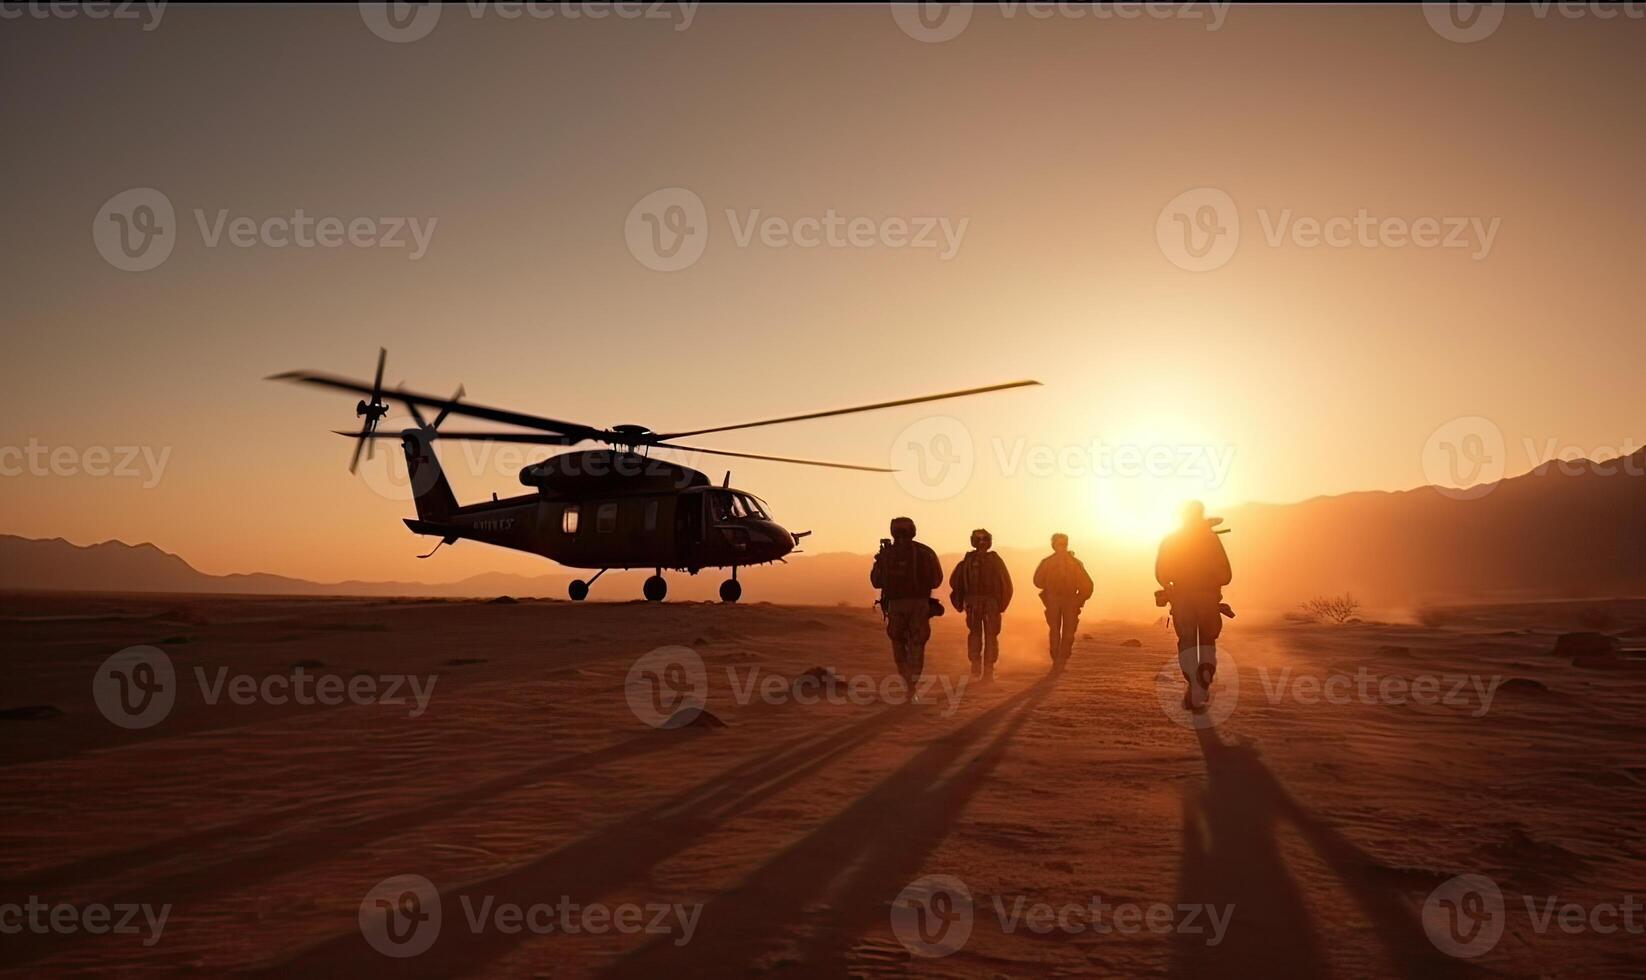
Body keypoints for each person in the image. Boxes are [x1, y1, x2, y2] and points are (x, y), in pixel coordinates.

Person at [1155, 500, 1233, 711]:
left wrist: (1172, 584)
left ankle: (1194, 685)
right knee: (1206, 642)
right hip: (1206, 599)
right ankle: (1202, 684)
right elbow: (1226, 574)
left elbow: (1161, 572)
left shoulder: (1172, 540)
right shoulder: (1211, 540)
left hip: (1182, 599)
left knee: (1188, 642)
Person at [870, 516, 944, 690]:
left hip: (895, 605)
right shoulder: (925, 552)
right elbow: (936, 580)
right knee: (917, 644)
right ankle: (913, 681)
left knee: (898, 642)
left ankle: (906, 680)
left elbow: (876, 581)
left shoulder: (887, 554)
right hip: (919, 604)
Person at [949, 528, 1013, 682]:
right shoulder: (970, 561)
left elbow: (1006, 584)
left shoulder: (972, 561)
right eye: (980, 540)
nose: (983, 543)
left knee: (984, 635)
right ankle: (981, 668)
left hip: (984, 603)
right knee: (980, 635)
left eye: (985, 540)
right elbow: (956, 582)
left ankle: (984, 669)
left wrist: (1000, 605)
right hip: (981, 603)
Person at [1033, 533, 1093, 671]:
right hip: (1053, 600)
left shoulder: (1074, 563)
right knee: (1055, 631)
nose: (1062, 547)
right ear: (1054, 545)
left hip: (1070, 600)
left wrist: (1079, 599)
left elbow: (1087, 584)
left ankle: (1062, 660)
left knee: (1068, 632)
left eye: (1064, 544)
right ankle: (1056, 661)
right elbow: (1037, 580)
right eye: (1059, 544)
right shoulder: (1047, 562)